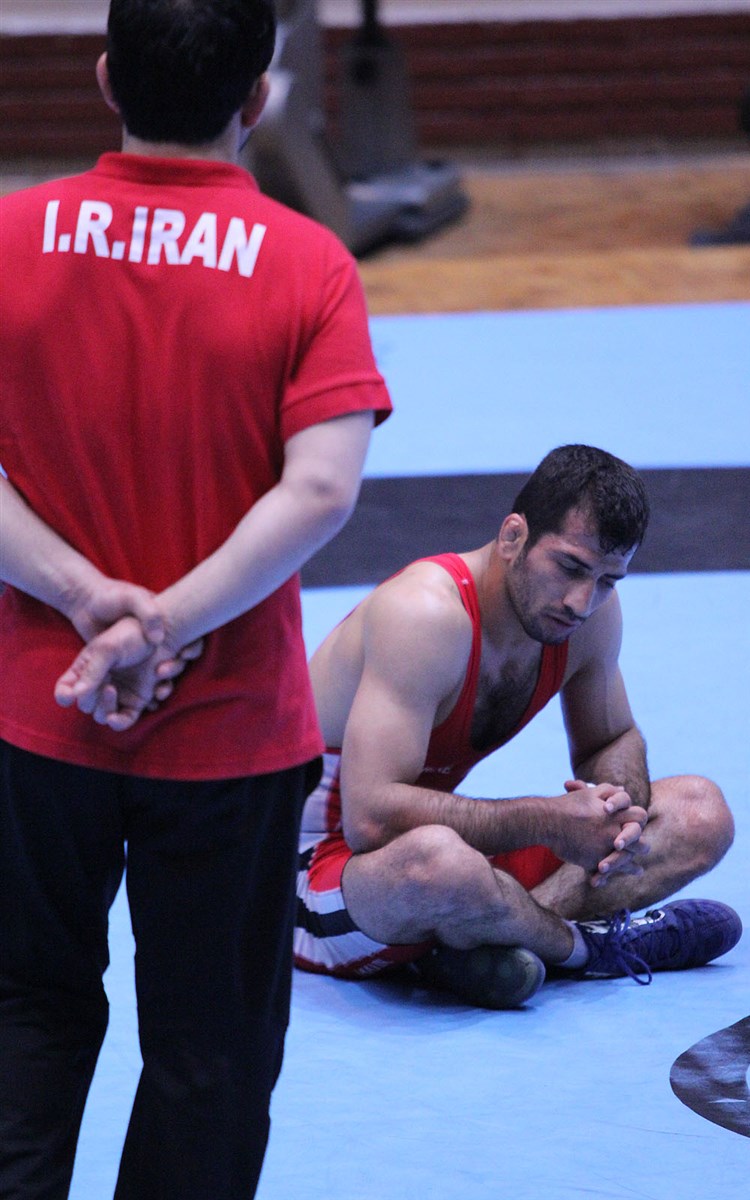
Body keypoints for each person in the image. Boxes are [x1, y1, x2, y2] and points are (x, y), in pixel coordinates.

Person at [0, 1, 391, 1197]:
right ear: (258, 97)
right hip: (228, 730)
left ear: (107, 77)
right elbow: (320, 490)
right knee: (209, 1052)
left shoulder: (10, 234)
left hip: (34, 715)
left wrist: (86, 599)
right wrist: (163, 622)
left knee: (19, 1016)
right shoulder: (307, 261)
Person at [292, 445, 740, 1008]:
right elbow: (369, 821)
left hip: (441, 860)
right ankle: (584, 949)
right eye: (570, 567)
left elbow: (612, 739)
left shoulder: (587, 616)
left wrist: (619, 811)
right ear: (512, 537)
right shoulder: (424, 614)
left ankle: (481, 940)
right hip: (314, 874)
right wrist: (550, 820)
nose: (582, 602)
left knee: (699, 811)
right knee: (439, 862)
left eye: (608, 580)